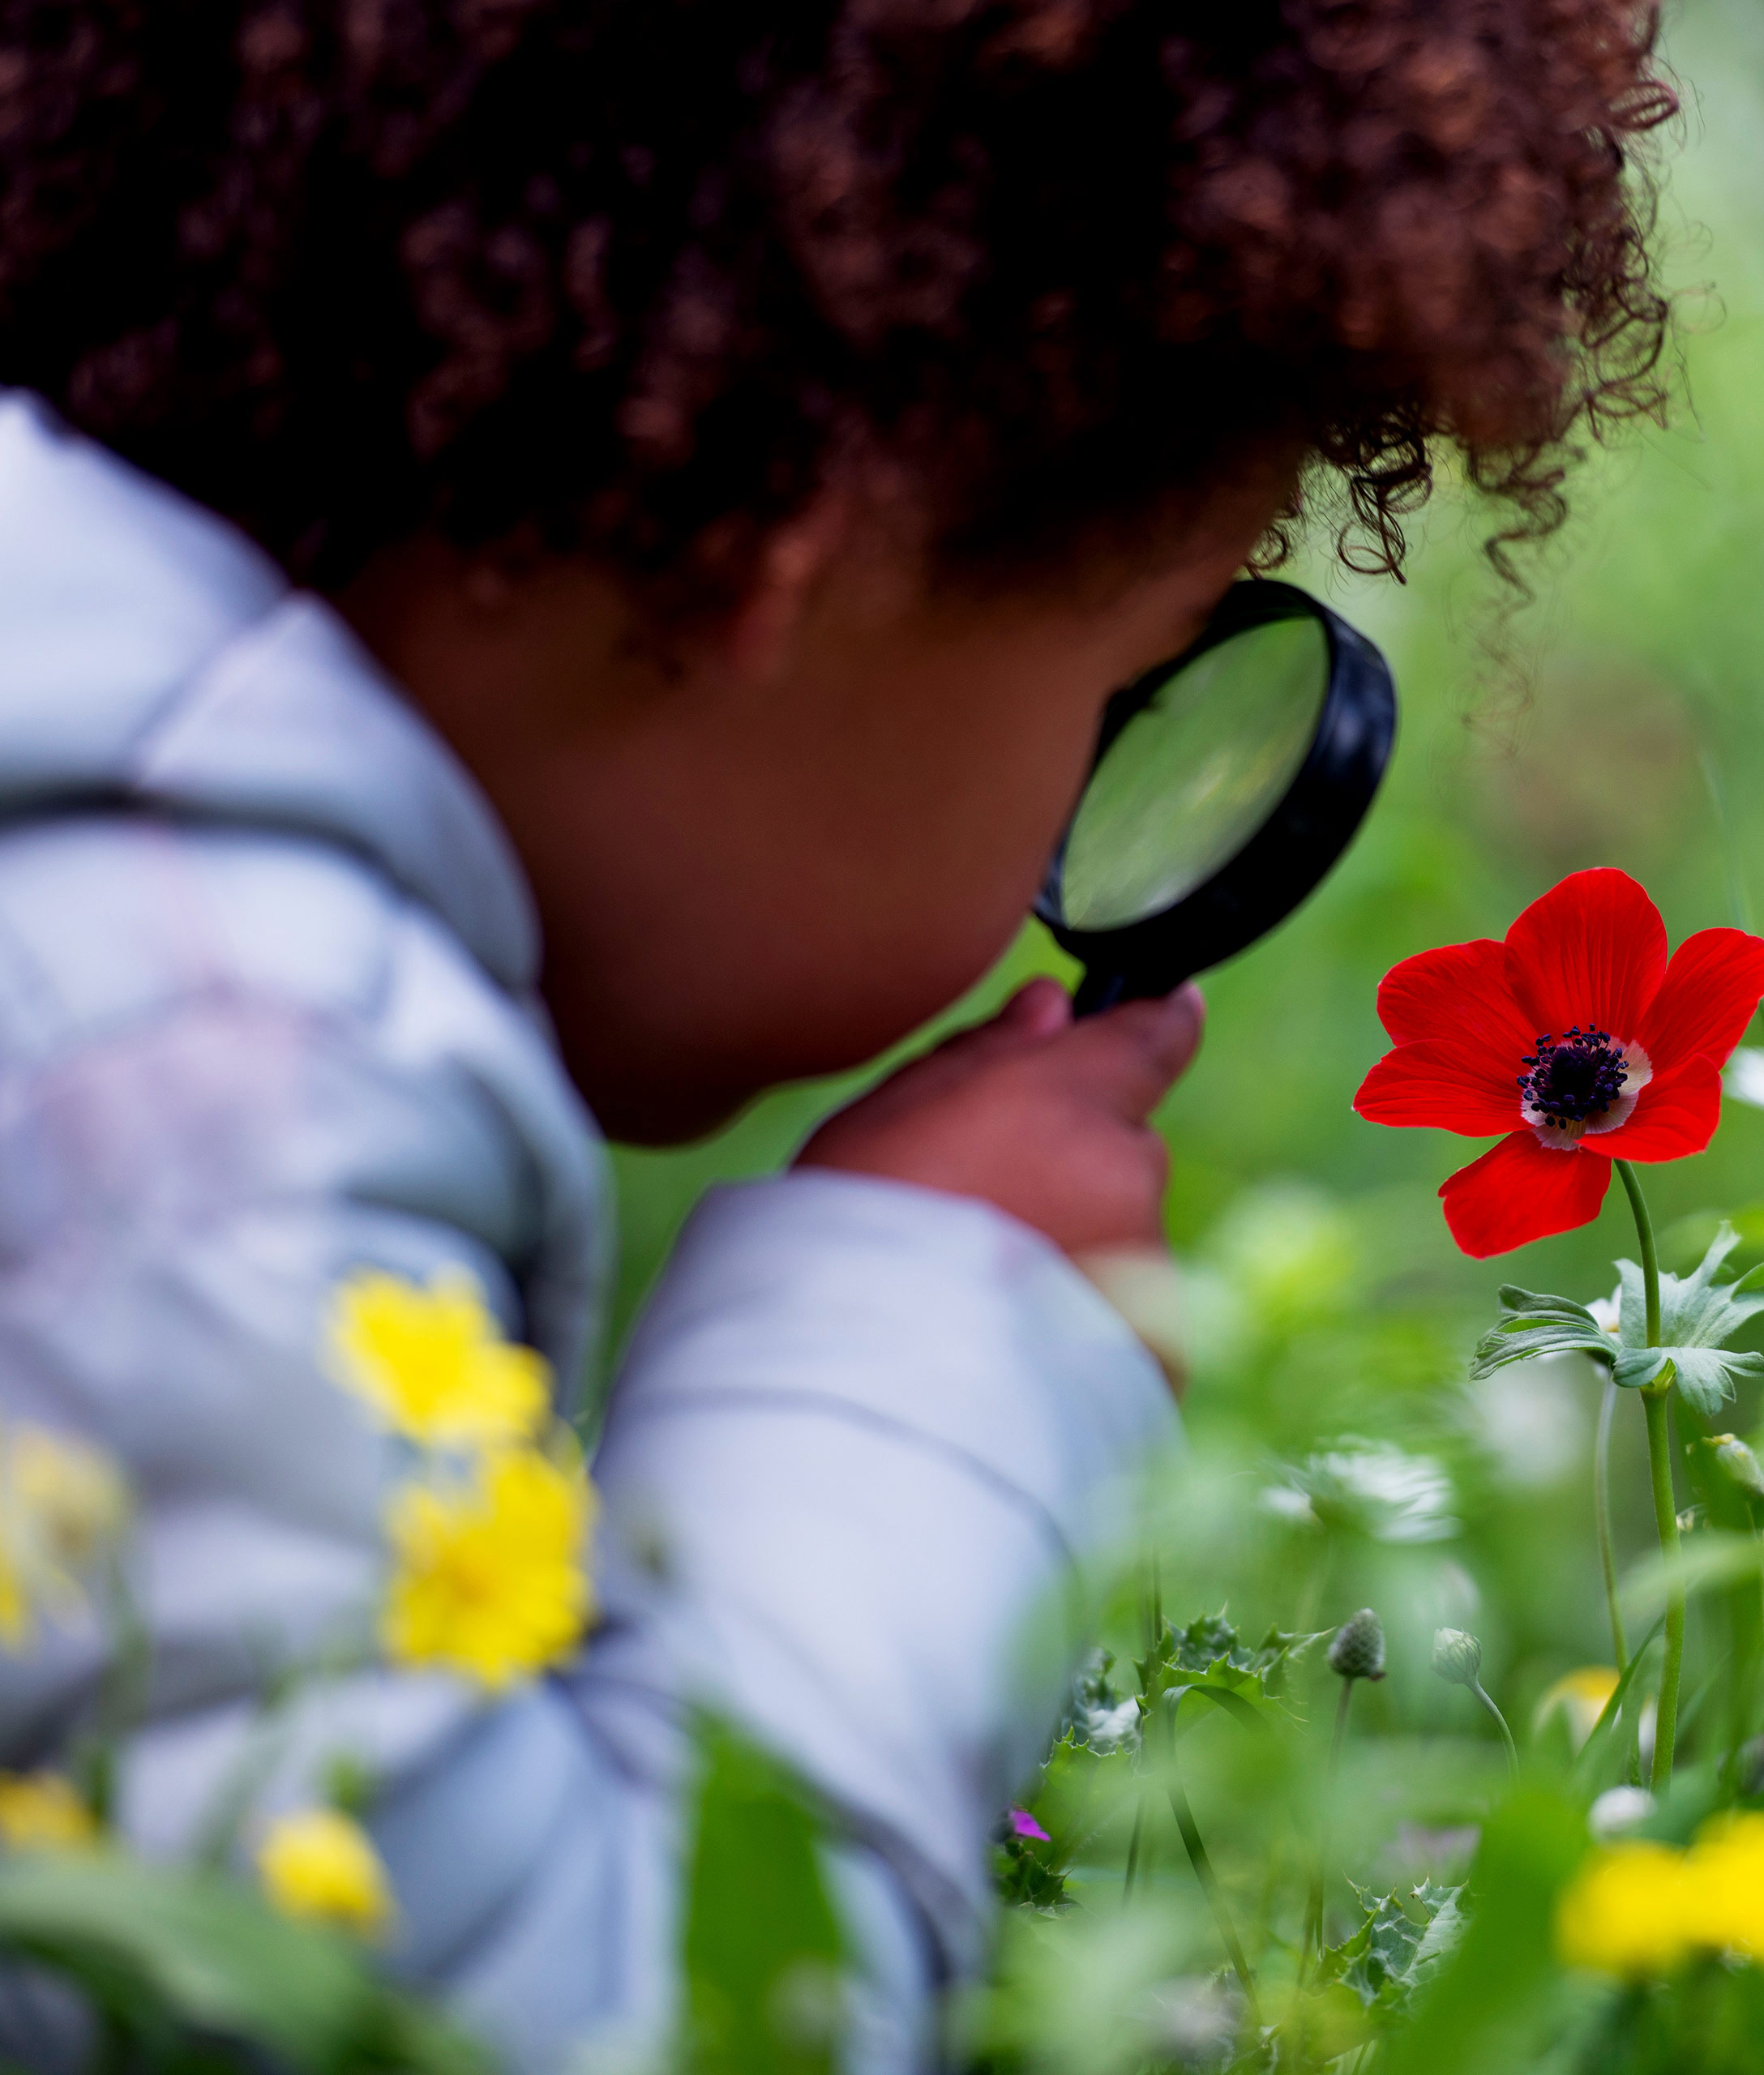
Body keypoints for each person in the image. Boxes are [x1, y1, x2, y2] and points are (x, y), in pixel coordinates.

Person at [0, 2, 1670, 2064]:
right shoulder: (196, 1072)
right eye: (1125, 690)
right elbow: (543, 2024)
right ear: (776, 528)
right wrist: (897, 1346)